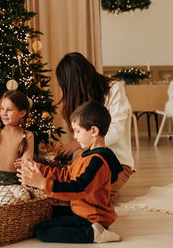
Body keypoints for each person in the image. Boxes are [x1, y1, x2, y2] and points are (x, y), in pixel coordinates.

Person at [17, 101, 123, 243]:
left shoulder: (98, 161)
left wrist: (42, 183)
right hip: (80, 210)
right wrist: (39, 167)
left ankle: (94, 234)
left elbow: (78, 188)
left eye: (78, 131)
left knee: (43, 231)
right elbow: (66, 175)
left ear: (94, 131)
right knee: (47, 213)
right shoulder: (86, 155)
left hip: (92, 218)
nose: (75, 137)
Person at [55, 52, 134, 202]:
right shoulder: (80, 98)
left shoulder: (114, 89)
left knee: (86, 197)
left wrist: (77, 145)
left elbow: (116, 131)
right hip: (88, 161)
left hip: (118, 164)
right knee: (68, 191)